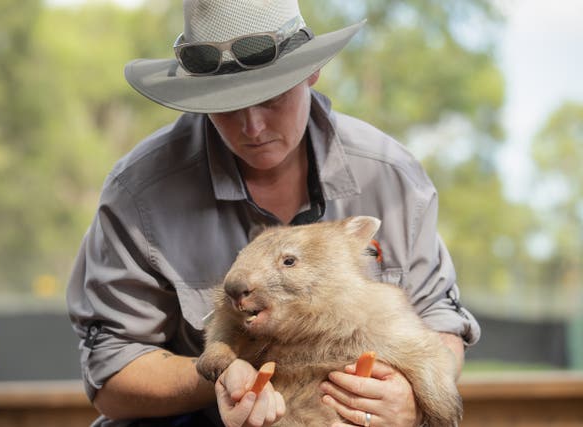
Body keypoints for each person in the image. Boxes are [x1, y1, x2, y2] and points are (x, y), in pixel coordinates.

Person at [66, 0, 481, 426]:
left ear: (311, 72)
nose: (252, 127)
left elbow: (441, 324)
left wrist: (409, 401)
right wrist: (225, 376)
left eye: (272, 97)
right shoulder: (139, 194)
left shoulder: (391, 178)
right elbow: (111, 376)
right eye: (226, 105)